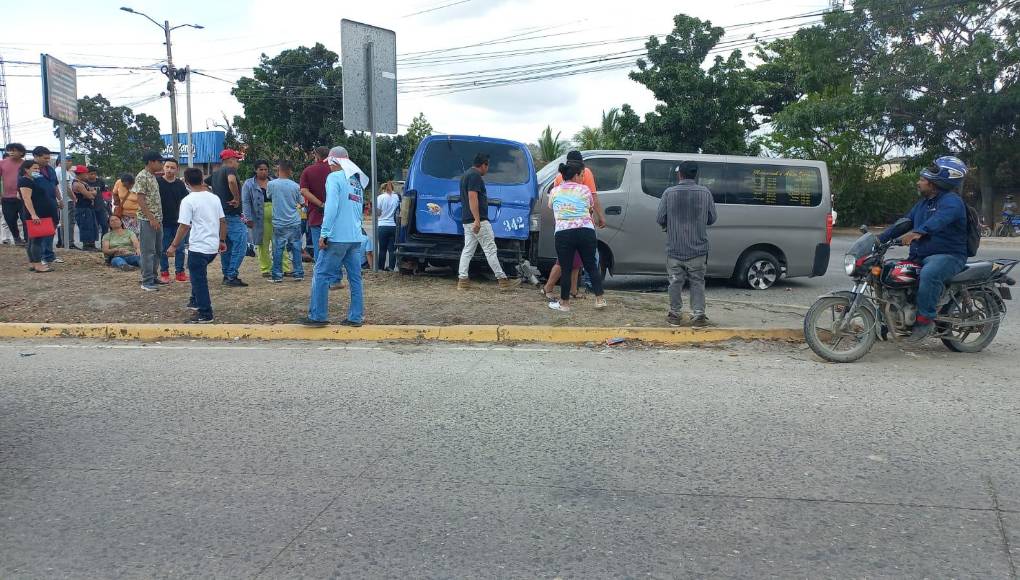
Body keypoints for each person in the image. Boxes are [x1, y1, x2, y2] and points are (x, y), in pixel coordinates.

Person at [879, 156, 970, 342]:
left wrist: (918, 232)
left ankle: (924, 321)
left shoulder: (952, 202)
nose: (918, 182)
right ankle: (887, 319)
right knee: (888, 271)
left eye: (922, 180)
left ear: (935, 183)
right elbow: (904, 223)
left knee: (929, 274)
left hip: (949, 256)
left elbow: (939, 220)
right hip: (920, 255)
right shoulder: (923, 204)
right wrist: (879, 239)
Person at [302, 149, 366, 327]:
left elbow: (331, 208)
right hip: (354, 237)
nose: (329, 166)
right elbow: (358, 211)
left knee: (321, 274)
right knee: (355, 278)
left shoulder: (334, 178)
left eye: (330, 162)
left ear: (334, 161)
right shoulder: (355, 181)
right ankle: (356, 317)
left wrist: (324, 234)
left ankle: (318, 316)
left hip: (337, 237)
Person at [656, 161, 717, 327]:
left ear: (679, 174)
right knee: (697, 282)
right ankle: (698, 315)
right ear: (695, 175)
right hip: (698, 249)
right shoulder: (705, 193)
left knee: (675, 281)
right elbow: (712, 218)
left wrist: (670, 225)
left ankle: (675, 314)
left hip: (675, 248)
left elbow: (660, 218)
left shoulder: (669, 193)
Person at [167, 168, 226, 324]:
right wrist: (222, 240)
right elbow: (222, 221)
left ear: (186, 182)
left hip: (198, 246)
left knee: (199, 280)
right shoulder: (214, 198)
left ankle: (205, 313)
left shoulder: (188, 200)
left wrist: (174, 245)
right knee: (197, 274)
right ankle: (194, 301)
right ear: (202, 179)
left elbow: (184, 226)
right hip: (213, 246)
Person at [543, 150, 605, 299]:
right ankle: (548, 287)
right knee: (578, 261)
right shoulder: (586, 172)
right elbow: (593, 197)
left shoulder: (559, 177)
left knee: (574, 261)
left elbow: (553, 203)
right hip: (582, 225)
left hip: (563, 225)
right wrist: (600, 216)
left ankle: (573, 291)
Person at [456, 153, 521, 291]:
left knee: (468, 250)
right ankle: (503, 280)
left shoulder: (465, 175)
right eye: (487, 166)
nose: (488, 169)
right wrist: (478, 220)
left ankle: (462, 280)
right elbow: (472, 197)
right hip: (477, 221)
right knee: (490, 250)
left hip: (467, 219)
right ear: (483, 164)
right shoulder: (475, 176)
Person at [242, 159, 291, 277]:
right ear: (255, 170)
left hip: (276, 213)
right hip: (258, 215)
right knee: (262, 243)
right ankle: (266, 269)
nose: (263, 172)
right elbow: (246, 201)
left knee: (280, 241)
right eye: (261, 169)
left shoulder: (274, 181)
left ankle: (284, 267)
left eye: (265, 169)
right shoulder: (249, 183)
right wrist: (248, 217)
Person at [210, 149, 248, 287]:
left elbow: (203, 184)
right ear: (230, 160)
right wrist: (236, 198)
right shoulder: (229, 169)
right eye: (237, 160)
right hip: (231, 214)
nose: (237, 163)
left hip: (221, 215)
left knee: (227, 246)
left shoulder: (214, 174)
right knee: (241, 244)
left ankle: (226, 274)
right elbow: (232, 181)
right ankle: (232, 274)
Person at [132, 152, 166, 291]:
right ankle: (146, 281)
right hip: (147, 220)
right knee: (148, 250)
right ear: (151, 162)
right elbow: (140, 199)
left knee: (158, 249)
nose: (161, 164)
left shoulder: (152, 176)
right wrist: (151, 218)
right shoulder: (142, 176)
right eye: (159, 161)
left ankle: (153, 275)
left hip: (157, 219)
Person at [268, 160, 305, 282]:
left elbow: (269, 196)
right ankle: (298, 273)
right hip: (294, 221)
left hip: (279, 222)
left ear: (279, 169)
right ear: (289, 170)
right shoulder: (295, 186)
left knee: (278, 249)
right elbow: (301, 202)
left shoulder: (271, 184)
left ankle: (277, 275)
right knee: (296, 248)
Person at [18, 159, 57, 272]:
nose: (37, 170)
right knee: (37, 240)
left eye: (38, 168)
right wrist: (34, 214)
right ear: (26, 169)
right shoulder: (25, 181)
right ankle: (38, 264)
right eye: (34, 168)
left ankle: (33, 263)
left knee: (33, 239)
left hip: (41, 213)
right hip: (36, 214)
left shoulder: (32, 180)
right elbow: (26, 198)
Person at [158, 159, 190, 283]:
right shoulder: (158, 182)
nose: (169, 170)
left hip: (178, 222)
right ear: (163, 168)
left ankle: (180, 272)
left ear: (177, 169)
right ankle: (164, 272)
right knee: (163, 248)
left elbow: (186, 201)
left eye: (172, 167)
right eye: (167, 167)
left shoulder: (180, 184)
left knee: (180, 248)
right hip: (163, 222)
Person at [31, 146, 62, 265]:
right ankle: (40, 257)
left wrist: (59, 199)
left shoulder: (50, 170)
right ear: (36, 157)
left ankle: (49, 255)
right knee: (40, 232)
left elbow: (54, 186)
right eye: (45, 158)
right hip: (38, 205)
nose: (47, 160)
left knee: (51, 230)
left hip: (52, 204)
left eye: (48, 158)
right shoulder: (29, 169)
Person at [299, 146, 331, 261]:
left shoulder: (308, 170)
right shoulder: (336, 170)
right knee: (335, 249)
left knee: (320, 249)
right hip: (336, 217)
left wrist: (321, 204)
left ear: (316, 156)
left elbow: (303, 191)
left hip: (316, 215)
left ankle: (320, 275)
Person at [1, 142, 27, 245]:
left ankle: (28, 239)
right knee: (10, 219)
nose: (11, 152)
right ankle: (16, 237)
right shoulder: (2, 163)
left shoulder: (26, 164)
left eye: (14, 150)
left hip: (24, 197)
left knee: (25, 219)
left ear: (21, 152)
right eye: (9, 150)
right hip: (7, 197)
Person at [70, 164, 99, 251]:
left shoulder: (84, 183)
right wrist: (91, 193)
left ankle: (92, 244)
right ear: (80, 174)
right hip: (82, 208)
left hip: (88, 207)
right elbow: (90, 195)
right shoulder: (77, 184)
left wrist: (91, 193)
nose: (87, 175)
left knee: (92, 225)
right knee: (85, 226)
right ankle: (87, 245)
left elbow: (94, 192)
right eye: (86, 173)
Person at [375, 180, 399, 271]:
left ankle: (380, 267)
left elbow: (378, 212)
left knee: (382, 249)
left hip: (383, 225)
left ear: (383, 189)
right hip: (394, 225)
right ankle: (391, 267)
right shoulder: (396, 197)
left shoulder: (380, 197)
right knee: (392, 249)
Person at [85, 166, 110, 239]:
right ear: (87, 174)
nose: (93, 176)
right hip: (89, 207)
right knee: (91, 226)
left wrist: (108, 201)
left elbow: (105, 192)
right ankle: (91, 244)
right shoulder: (84, 182)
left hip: (100, 206)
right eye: (91, 174)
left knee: (105, 225)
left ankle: (104, 243)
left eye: (95, 174)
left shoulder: (100, 181)